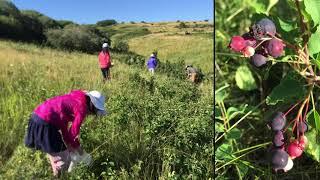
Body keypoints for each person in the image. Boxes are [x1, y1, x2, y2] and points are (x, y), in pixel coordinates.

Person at [24, 90, 107, 177]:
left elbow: (64, 124)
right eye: (94, 112)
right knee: (65, 161)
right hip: (45, 124)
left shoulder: (75, 99)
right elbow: (73, 133)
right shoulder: (81, 108)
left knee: (56, 160)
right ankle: (61, 176)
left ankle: (57, 176)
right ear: (91, 106)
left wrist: (70, 145)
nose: (91, 114)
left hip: (37, 117)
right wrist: (81, 152)